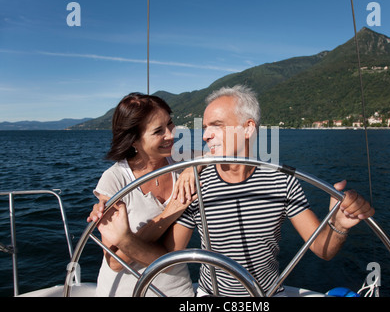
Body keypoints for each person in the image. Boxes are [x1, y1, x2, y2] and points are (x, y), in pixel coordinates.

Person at [99, 86, 375, 297]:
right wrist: (191, 171)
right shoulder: (197, 183)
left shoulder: (282, 181)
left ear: (248, 128)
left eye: (215, 126)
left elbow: (322, 249)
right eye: (204, 127)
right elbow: (169, 257)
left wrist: (338, 224)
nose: (205, 135)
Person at [89, 92, 196, 297]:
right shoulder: (114, 180)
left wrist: (193, 169)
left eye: (170, 124)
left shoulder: (183, 165)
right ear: (134, 141)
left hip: (176, 291)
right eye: (158, 131)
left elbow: (216, 156)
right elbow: (114, 261)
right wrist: (170, 212)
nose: (171, 135)